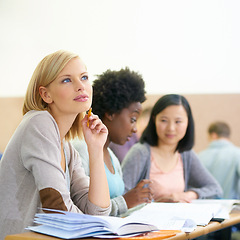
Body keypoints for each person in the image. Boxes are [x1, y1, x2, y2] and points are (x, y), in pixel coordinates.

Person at [0, 50, 111, 239]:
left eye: (84, 77)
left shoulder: (67, 147)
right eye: (67, 80)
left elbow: (98, 212)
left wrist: (95, 149)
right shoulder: (38, 122)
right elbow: (58, 211)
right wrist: (92, 226)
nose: (80, 86)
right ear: (46, 94)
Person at [72, 67, 153, 216]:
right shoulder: (80, 150)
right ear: (110, 113)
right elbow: (81, 210)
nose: (135, 129)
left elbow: (119, 211)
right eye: (133, 120)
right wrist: (127, 201)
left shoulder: (112, 158)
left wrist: (143, 202)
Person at [122, 94, 222, 203]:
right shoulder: (140, 153)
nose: (171, 128)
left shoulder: (186, 154)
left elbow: (215, 189)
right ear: (154, 120)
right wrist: (159, 199)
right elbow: (121, 197)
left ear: (188, 122)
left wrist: (188, 195)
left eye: (178, 121)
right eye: (164, 120)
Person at [198, 121, 240, 199]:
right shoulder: (237, 154)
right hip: (232, 208)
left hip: (205, 207)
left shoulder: (200, 156)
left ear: (213, 135)